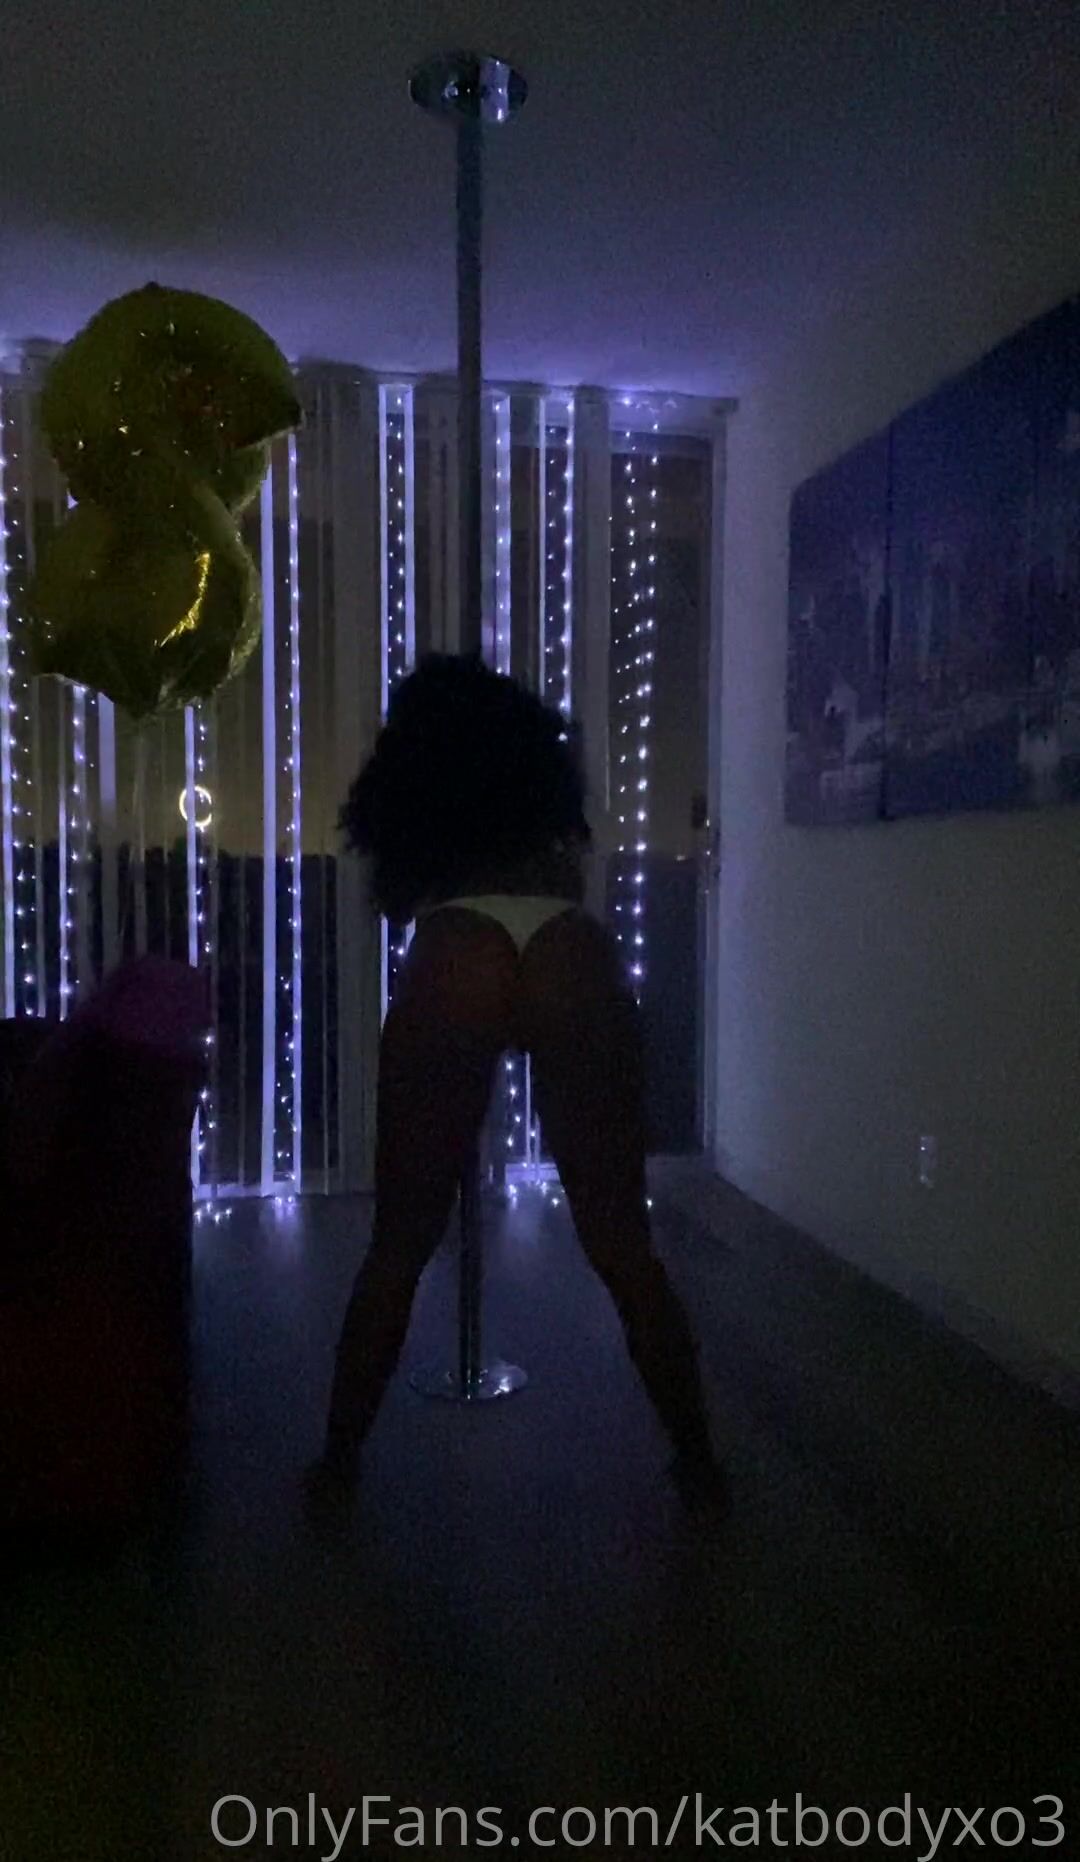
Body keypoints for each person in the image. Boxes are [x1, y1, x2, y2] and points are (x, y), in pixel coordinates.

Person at [306, 654, 725, 1518]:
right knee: (624, 1244)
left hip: (459, 947)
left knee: (398, 1246)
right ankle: (700, 1464)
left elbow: (399, 895)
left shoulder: (424, 781)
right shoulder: (540, 790)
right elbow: (566, 875)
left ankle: (337, 1468)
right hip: (566, 946)